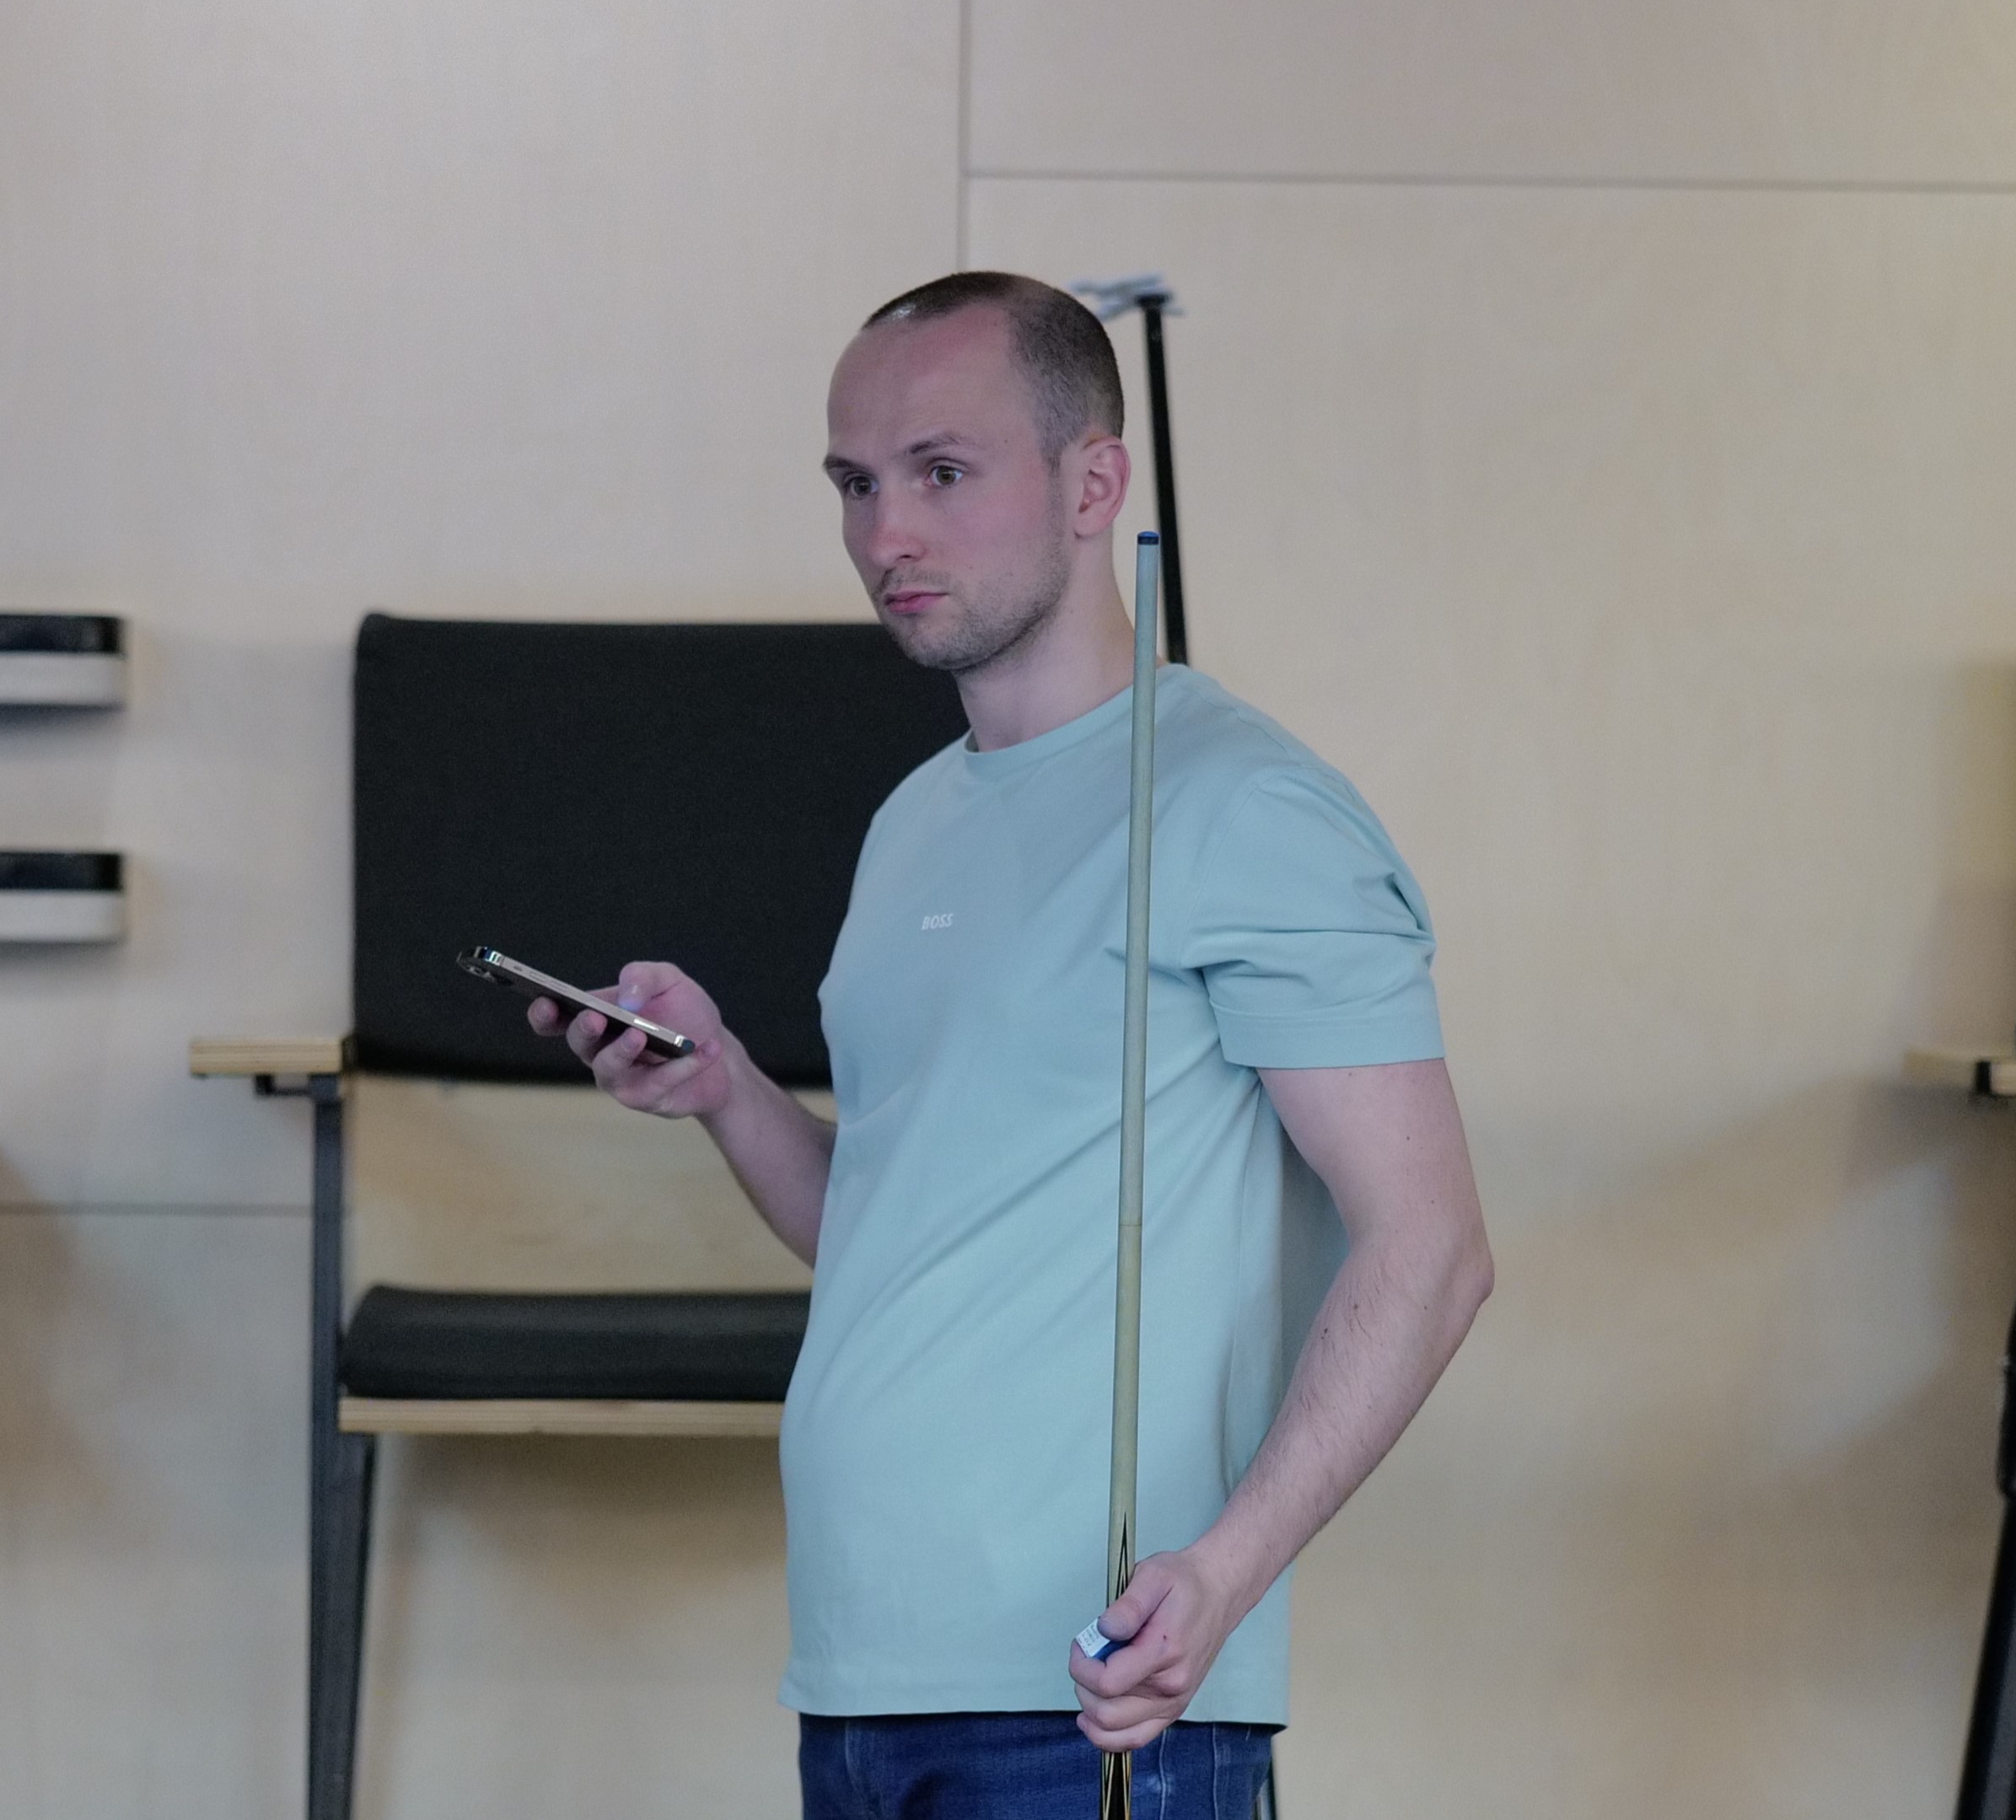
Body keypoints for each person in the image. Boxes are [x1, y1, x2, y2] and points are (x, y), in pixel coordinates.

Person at [530, 271, 1492, 1817]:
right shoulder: (915, 819)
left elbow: (1432, 1247)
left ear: (1093, 484)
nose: (885, 536)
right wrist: (724, 1089)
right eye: (856, 484)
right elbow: (895, 1230)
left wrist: (1224, 1575)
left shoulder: (1244, 807)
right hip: (860, 1678)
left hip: (1099, 1699)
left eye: (942, 472)